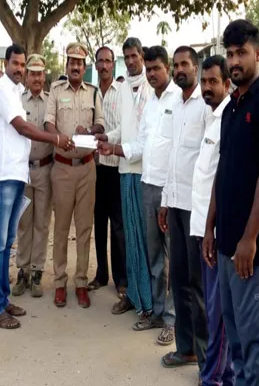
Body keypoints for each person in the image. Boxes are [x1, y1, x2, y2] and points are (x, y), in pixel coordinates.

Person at [203, 19, 259, 385]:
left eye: (242, 53)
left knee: (256, 342)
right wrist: (209, 227)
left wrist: (250, 239)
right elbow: (223, 170)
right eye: (231, 54)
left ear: (258, 53)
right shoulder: (232, 106)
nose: (235, 61)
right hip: (226, 243)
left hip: (250, 250)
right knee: (235, 335)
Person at [0, 44, 73, 329]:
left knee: (8, 241)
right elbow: (22, 128)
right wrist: (57, 139)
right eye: (16, 64)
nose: (20, 69)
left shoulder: (12, 91)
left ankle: (4, 298)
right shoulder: (1, 89)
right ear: (6, 63)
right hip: (4, 175)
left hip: (16, 173)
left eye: (23, 64)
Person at [100, 46, 178, 345]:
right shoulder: (144, 99)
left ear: (166, 67)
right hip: (145, 180)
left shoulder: (178, 100)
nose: (150, 72)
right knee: (150, 250)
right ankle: (154, 311)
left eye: (155, 67)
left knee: (171, 255)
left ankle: (170, 320)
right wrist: (111, 144)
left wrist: (119, 148)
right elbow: (139, 138)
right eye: (149, 67)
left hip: (169, 188)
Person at [158, 46, 209, 368]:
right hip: (175, 204)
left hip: (197, 208)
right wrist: (164, 201)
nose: (179, 70)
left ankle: (207, 360)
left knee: (197, 284)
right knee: (177, 278)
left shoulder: (207, 105)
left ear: (196, 68)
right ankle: (186, 347)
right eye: (175, 64)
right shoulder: (175, 105)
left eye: (184, 64)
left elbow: (209, 162)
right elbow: (172, 158)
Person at [44, 42, 105, 309]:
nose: (76, 66)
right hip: (62, 168)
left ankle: (81, 282)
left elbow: (102, 123)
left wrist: (91, 128)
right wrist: (59, 137)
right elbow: (48, 122)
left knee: (84, 228)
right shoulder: (56, 92)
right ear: (66, 65)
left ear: (84, 66)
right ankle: (59, 282)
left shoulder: (93, 93)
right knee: (60, 228)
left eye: (80, 63)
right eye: (72, 62)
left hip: (87, 168)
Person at [96, 37, 148, 316]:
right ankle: (133, 296)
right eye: (126, 57)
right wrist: (107, 137)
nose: (130, 61)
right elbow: (124, 129)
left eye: (134, 56)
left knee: (142, 237)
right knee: (129, 234)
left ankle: (147, 302)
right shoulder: (126, 88)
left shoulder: (151, 90)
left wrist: (115, 147)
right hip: (124, 170)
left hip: (143, 172)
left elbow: (145, 139)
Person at [190, 56, 234, 385]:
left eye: (213, 82)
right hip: (203, 229)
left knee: (218, 312)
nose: (207, 87)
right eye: (204, 81)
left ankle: (213, 378)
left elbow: (222, 180)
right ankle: (223, 374)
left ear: (226, 84)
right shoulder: (211, 116)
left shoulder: (227, 120)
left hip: (215, 233)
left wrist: (211, 230)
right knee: (212, 305)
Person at [12, 54, 53, 298]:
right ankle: (22, 271)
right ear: (26, 76)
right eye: (32, 73)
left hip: (46, 168)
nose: (36, 77)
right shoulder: (17, 100)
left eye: (40, 73)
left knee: (42, 222)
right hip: (23, 170)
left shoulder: (51, 101)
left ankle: (37, 271)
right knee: (23, 222)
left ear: (44, 75)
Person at [88, 46, 127, 296]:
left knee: (118, 225)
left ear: (113, 64)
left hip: (115, 167)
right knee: (98, 222)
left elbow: (125, 126)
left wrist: (110, 144)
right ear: (95, 64)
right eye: (100, 61)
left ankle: (121, 279)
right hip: (94, 167)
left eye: (107, 61)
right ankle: (101, 274)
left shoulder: (122, 92)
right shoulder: (90, 93)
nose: (103, 66)